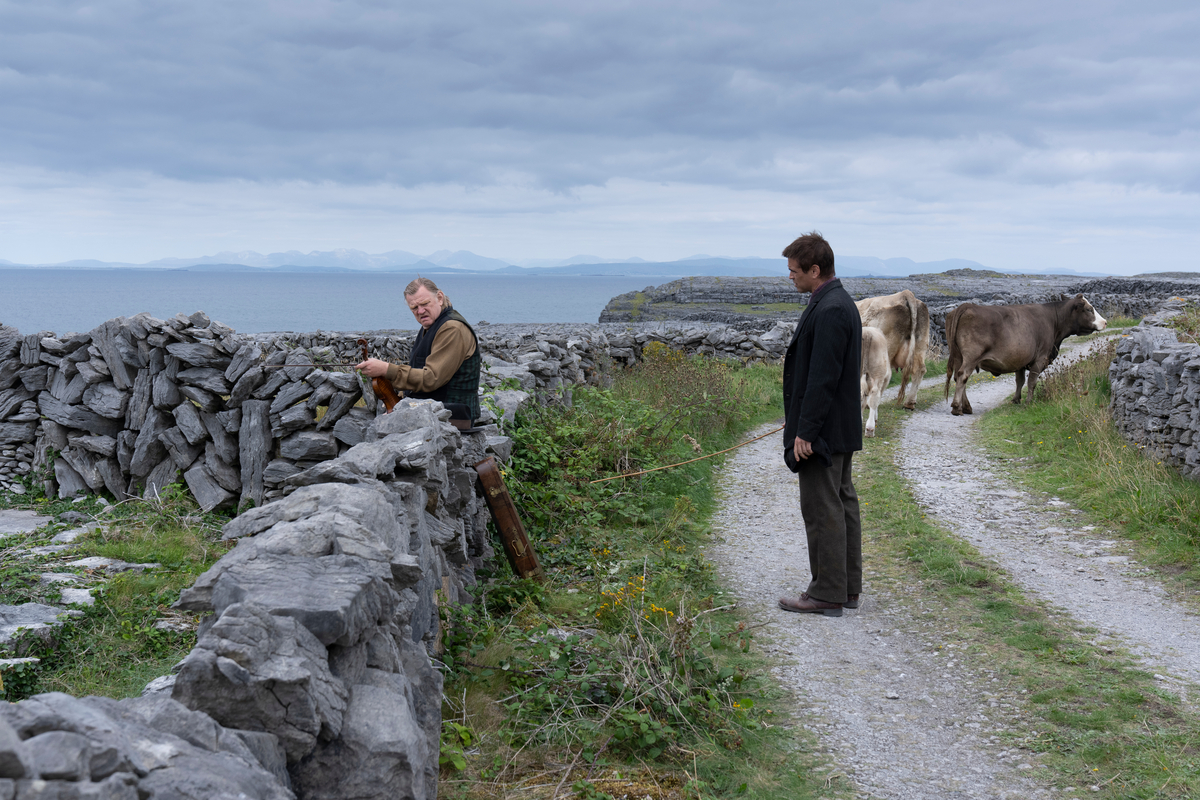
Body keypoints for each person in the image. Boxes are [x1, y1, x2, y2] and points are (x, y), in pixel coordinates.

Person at [777, 232, 863, 618]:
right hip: (838, 427)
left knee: (822, 507)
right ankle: (846, 588)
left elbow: (823, 378)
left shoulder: (830, 309)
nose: (790, 277)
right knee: (842, 503)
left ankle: (827, 592)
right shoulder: (838, 301)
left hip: (823, 432)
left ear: (815, 270)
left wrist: (806, 432)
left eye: (795, 271)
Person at [356, 277, 482, 422]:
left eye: (425, 304)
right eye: (414, 308)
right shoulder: (431, 325)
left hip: (453, 419)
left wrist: (386, 369)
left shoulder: (452, 329)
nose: (420, 311)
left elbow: (431, 378)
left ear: (439, 298)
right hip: (433, 414)